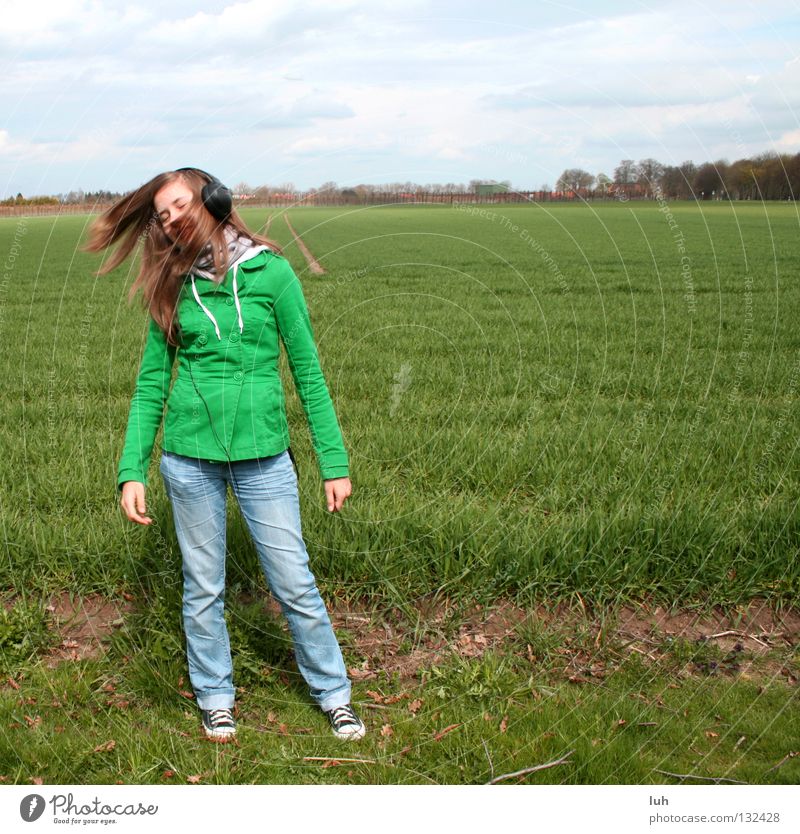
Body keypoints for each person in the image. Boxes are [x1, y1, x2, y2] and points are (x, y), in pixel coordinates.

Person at [84, 168, 365, 742]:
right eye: (161, 215)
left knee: (293, 582)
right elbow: (150, 384)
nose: (170, 220)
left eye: (179, 205)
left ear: (213, 201)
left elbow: (308, 371)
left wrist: (333, 462)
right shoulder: (173, 285)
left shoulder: (272, 272)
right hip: (188, 461)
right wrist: (130, 470)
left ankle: (334, 694)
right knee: (202, 587)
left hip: (265, 459)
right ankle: (216, 697)